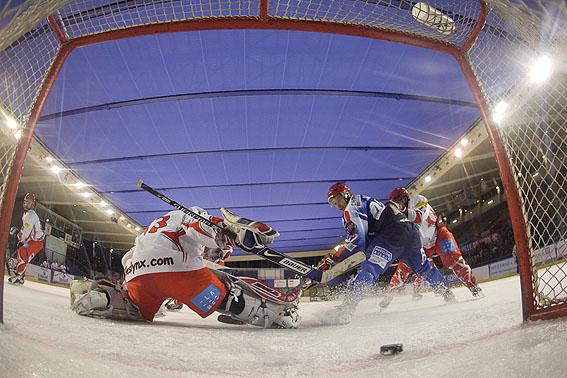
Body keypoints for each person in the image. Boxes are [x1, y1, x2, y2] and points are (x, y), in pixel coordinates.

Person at [70, 207, 300, 329]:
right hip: (177, 271)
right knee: (223, 292)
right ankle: (276, 315)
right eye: (220, 253)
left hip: (137, 272)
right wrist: (228, 232)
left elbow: (128, 258)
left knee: (136, 308)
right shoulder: (190, 213)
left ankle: (105, 298)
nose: (218, 256)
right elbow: (199, 227)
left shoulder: (154, 226)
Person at [323, 183, 455, 324]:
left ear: (346, 194)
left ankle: (347, 309)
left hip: (391, 234)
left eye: (338, 199)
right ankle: (447, 294)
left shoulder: (351, 208)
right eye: (333, 202)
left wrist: (335, 257)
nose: (337, 204)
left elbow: (358, 239)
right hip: (409, 231)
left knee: (369, 269)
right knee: (423, 267)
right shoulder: (361, 200)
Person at [381, 187, 482, 309]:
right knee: (405, 268)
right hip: (421, 244)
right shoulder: (398, 215)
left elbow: (418, 217)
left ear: (404, 198)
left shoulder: (418, 200)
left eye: (397, 202)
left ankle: (474, 287)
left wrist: (399, 211)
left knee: (453, 260)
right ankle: (389, 296)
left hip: (438, 234)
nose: (396, 206)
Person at [8, 193, 45, 285]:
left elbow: (26, 232)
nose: (25, 204)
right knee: (22, 257)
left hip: (37, 242)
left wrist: (20, 239)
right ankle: (21, 278)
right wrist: (20, 237)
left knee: (22, 251)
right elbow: (25, 228)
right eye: (25, 202)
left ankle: (18, 275)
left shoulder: (31, 215)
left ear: (33, 204)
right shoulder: (27, 214)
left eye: (28, 202)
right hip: (32, 241)